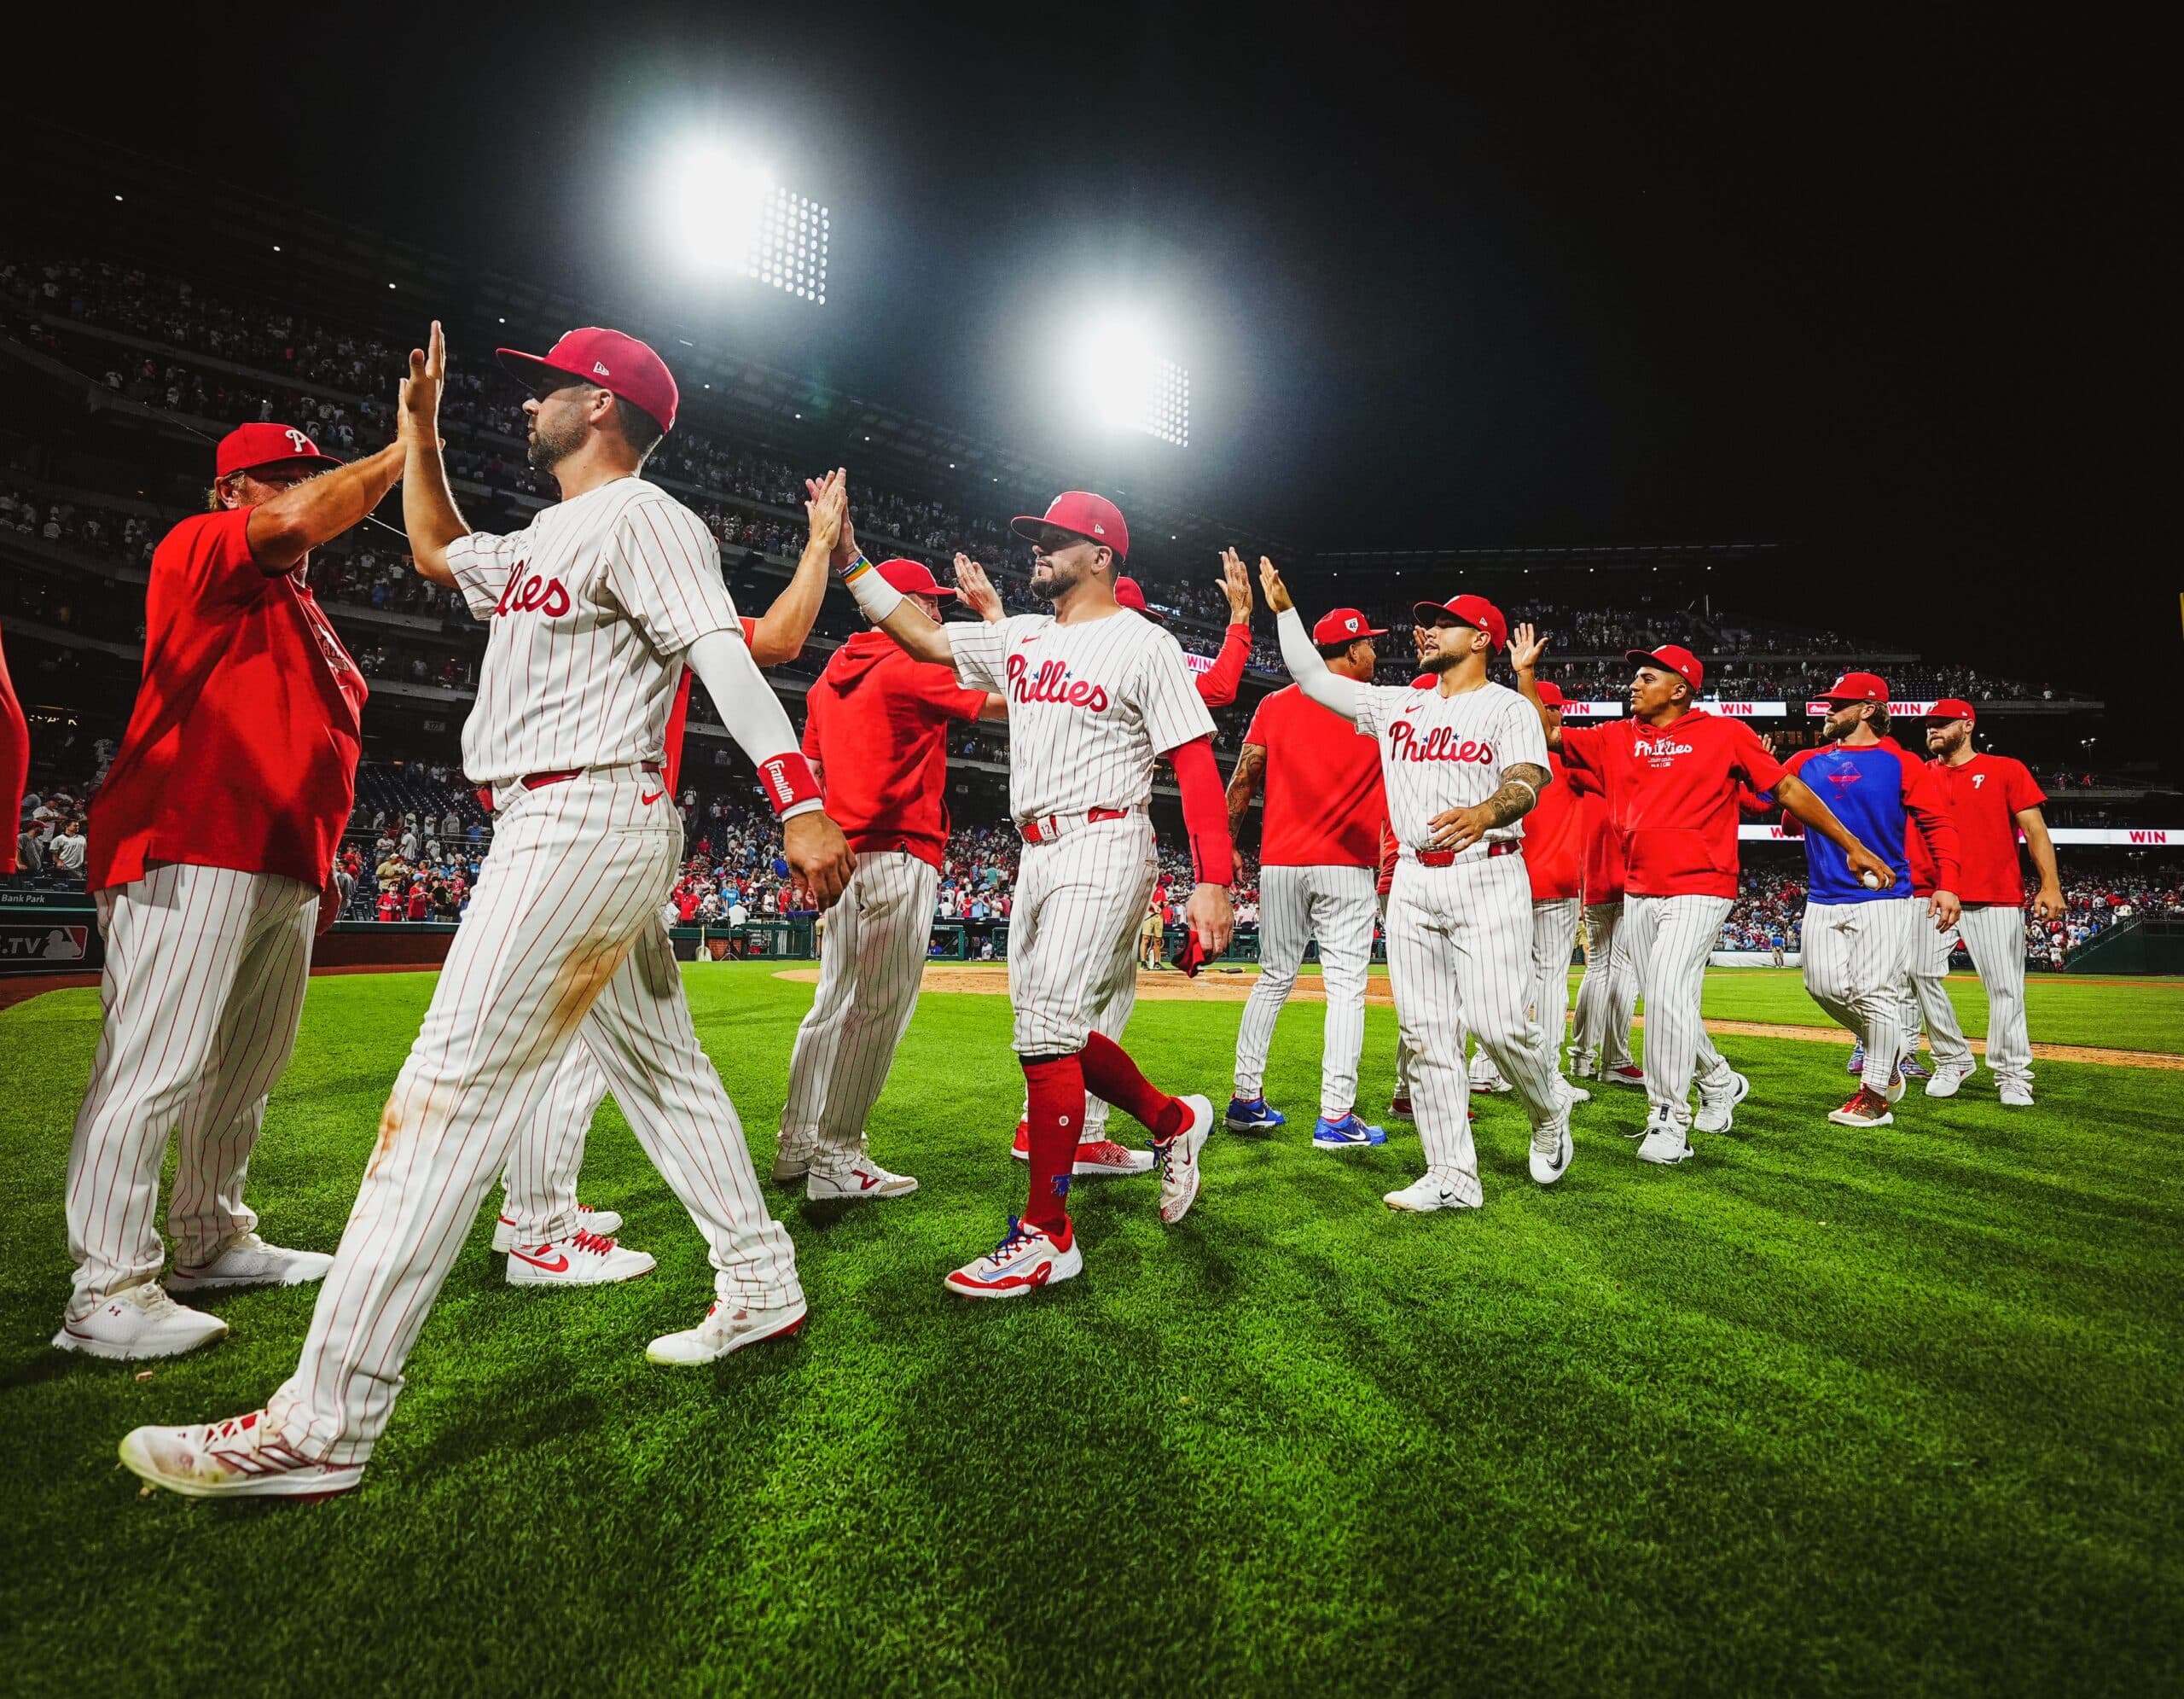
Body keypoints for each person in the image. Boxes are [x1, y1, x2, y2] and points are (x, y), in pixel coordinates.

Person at [119, 323, 856, 1500]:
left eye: (548, 387)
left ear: (605, 408)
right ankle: (762, 1277)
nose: (527, 402)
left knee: (445, 1098)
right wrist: (418, 436)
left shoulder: (644, 516)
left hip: (580, 816)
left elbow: (724, 652)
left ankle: (325, 1418)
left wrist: (798, 799)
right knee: (666, 1074)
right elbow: (435, 548)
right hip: (566, 820)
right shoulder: (547, 534)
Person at [57, 423, 400, 1362]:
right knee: (154, 1063)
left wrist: (318, 862)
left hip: (280, 857)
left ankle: (209, 1237)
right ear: (230, 491)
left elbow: (308, 745)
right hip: (191, 834)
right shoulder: (200, 547)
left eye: (307, 474)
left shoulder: (303, 610)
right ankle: (108, 1286)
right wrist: (406, 446)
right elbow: (298, 519)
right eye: (278, 479)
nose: (300, 491)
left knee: (243, 1070)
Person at [839, 490, 1230, 1295]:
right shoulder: (1021, 636)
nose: (1036, 549)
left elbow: (1193, 762)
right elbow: (922, 634)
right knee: (1045, 1026)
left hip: (1107, 835)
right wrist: (849, 559)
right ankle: (1171, 1120)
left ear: (1101, 556)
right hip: (1038, 851)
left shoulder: (1144, 644)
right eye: (1037, 538)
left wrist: (1215, 879)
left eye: (1054, 539)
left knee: (1047, 1027)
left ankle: (1048, 1233)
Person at [483, 468, 840, 1270]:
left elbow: (774, 641)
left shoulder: (608, 593)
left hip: (567, 816)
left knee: (571, 1040)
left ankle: (532, 1215)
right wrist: (819, 544)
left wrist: (819, 548)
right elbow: (777, 646)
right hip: (592, 822)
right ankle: (539, 1227)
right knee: (570, 1050)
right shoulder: (616, 574)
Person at [1510, 626, 1893, 1165]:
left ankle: (1667, 1119)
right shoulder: (1615, 737)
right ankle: (1718, 1079)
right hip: (1640, 889)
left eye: (1648, 676)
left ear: (1681, 688)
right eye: (1636, 676)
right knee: (1668, 1004)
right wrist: (1525, 674)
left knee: (1666, 994)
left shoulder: (1724, 735)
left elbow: (1785, 789)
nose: (1635, 683)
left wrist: (1851, 844)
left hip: (1702, 884)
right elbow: (1544, 736)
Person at [1266, 563, 1574, 1208]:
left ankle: (1548, 1112)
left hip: (1487, 873)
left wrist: (1487, 812)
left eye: (1443, 622)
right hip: (1410, 877)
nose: (1426, 630)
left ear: (1483, 638)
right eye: (1426, 622)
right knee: (1426, 1033)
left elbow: (1527, 779)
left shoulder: (1506, 706)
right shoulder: (1398, 701)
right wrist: (1286, 610)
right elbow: (1313, 676)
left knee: (1498, 1025)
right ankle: (1452, 1175)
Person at [962, 547, 1257, 1175]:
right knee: (1084, 1003)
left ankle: (1057, 1124)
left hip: (1094, 834)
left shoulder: (1137, 652)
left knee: (1054, 1003)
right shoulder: (1080, 643)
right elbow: (1224, 684)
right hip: (1073, 835)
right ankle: (1091, 1128)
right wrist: (1237, 624)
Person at [771, 551, 1005, 1199]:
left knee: (830, 1005)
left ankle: (797, 1145)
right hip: (902, 855)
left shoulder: (826, 679)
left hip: (841, 861)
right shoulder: (914, 662)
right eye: (927, 601)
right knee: (878, 1011)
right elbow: (1003, 705)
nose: (934, 611)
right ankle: (838, 1158)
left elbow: (810, 775)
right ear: (900, 606)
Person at [1222, 603, 1390, 1149]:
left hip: (1282, 863)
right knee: (1345, 988)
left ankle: (1247, 1099)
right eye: (1368, 643)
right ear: (1348, 650)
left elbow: (1244, 779)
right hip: (1345, 866)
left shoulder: (1275, 703)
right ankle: (1336, 1116)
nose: (1374, 651)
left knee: (1273, 978)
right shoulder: (1373, 708)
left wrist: (1224, 844)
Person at [1769, 674, 1961, 1128]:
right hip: (1823, 894)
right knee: (1821, 986)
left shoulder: (1903, 763)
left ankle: (1875, 1095)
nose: (1827, 712)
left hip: (1886, 895)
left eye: (1838, 705)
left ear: (1869, 710)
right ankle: (1886, 1050)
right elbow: (1764, 805)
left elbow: (1939, 825)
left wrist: (1948, 882)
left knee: (1876, 994)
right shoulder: (1806, 760)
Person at [1911, 700, 2064, 1106]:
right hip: (1933, 893)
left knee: (2005, 989)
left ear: (1967, 724)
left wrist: (2049, 885)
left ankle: (2013, 1074)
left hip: (1994, 894)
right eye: (1928, 725)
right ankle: (1953, 1058)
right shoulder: (1919, 774)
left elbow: (2035, 830)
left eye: (1942, 724)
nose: (1932, 731)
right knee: (1919, 973)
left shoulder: (2005, 769)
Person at [1518, 682, 1589, 1103]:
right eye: (1552, 709)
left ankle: (1487, 1066)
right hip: (1556, 885)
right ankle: (1547, 1074)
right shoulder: (1569, 763)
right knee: (1548, 981)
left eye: (1558, 709)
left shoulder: (1504, 753)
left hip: (1512, 880)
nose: (1556, 716)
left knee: (1508, 980)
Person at [1566, 748, 1642, 1088]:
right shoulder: (1636, 781)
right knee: (1625, 969)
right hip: (1631, 883)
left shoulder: (1586, 783)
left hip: (1594, 885)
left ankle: (1581, 1058)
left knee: (1597, 969)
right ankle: (1616, 1060)